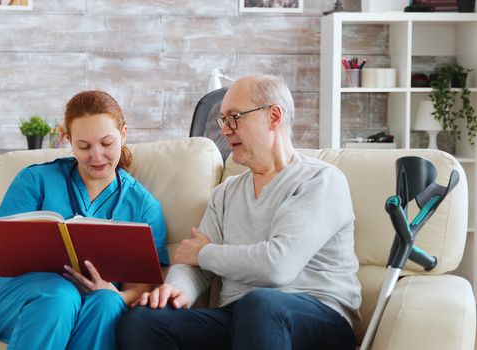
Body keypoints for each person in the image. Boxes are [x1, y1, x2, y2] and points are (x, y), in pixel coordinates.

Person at [117, 75, 362, 350]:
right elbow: (193, 265)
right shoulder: (227, 192)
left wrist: (205, 253)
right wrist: (176, 291)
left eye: (235, 117)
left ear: (274, 116)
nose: (225, 129)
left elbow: (277, 266)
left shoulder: (320, 181)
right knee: (141, 320)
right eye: (223, 120)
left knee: (259, 304)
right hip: (240, 317)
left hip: (319, 316)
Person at [0, 90, 170, 350]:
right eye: (84, 146)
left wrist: (116, 294)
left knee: (107, 303)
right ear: (68, 140)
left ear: (124, 133)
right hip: (21, 298)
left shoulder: (144, 205)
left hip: (94, 303)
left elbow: (141, 287)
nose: (97, 156)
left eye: (106, 143)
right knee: (60, 294)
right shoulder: (35, 180)